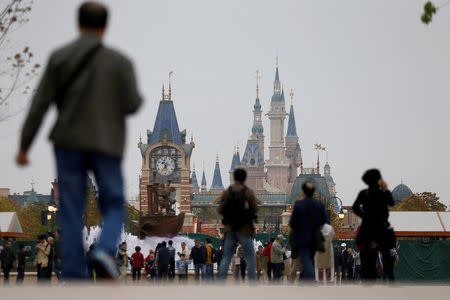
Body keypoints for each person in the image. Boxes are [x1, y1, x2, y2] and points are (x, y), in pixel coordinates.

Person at [15, 1, 142, 280]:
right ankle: (104, 249)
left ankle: (74, 274)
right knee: (113, 203)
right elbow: (133, 103)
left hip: (68, 143)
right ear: (105, 26)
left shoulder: (60, 58)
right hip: (106, 144)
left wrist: (24, 146)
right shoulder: (119, 62)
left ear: (78, 24)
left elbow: (40, 104)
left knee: (71, 208)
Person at [352, 169, 395, 282]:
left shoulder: (364, 193)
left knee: (368, 258)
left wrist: (364, 216)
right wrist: (385, 189)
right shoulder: (383, 193)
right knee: (385, 256)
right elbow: (392, 203)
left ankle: (369, 281)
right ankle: (389, 280)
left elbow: (355, 207)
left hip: (367, 228)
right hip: (381, 228)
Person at [218, 168, 258, 281]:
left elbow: (220, 209)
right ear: (244, 178)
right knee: (250, 256)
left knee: (226, 256)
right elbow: (254, 208)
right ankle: (252, 283)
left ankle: (221, 282)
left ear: (234, 177)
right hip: (244, 229)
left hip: (230, 228)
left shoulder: (226, 192)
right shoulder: (248, 192)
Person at [289, 181, 327, 281]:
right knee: (310, 260)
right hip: (315, 238)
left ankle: (310, 280)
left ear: (303, 191)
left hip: (302, 238)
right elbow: (325, 221)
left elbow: (292, 223)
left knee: (306, 260)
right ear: (314, 191)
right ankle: (304, 281)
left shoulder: (298, 204)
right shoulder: (319, 205)